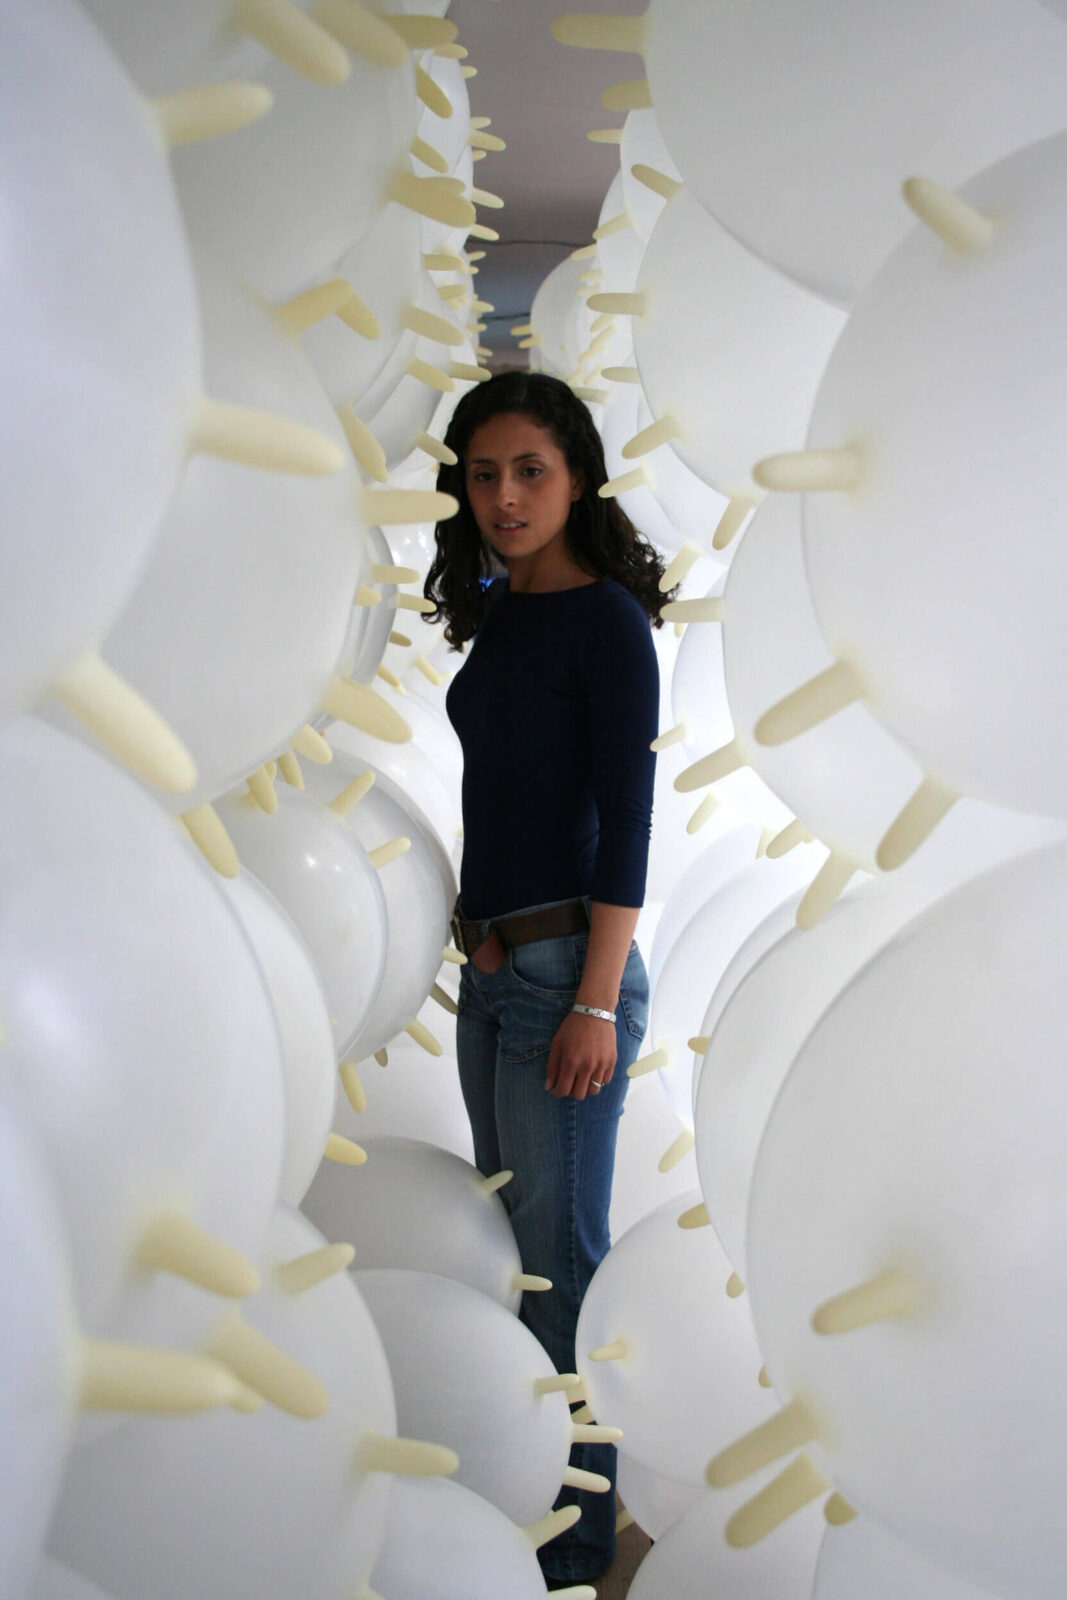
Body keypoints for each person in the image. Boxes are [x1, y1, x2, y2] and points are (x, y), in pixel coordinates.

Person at [424, 370, 672, 1587]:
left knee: (559, 1270)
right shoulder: (506, 606)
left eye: (529, 470)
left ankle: (573, 1555)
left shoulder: (607, 621)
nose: (505, 496)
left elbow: (627, 823)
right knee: (511, 1250)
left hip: (570, 973)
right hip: (502, 965)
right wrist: (479, 928)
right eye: (483, 473)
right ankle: (525, 1494)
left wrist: (589, 999)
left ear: (576, 475)